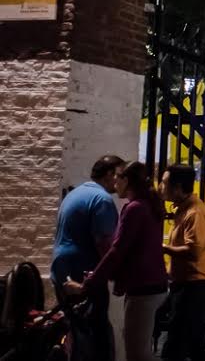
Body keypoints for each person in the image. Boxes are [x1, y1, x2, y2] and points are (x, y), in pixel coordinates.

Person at [64, 161, 168, 361]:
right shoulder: (148, 205)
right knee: (140, 350)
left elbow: (117, 250)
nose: (114, 182)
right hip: (153, 285)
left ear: (126, 180)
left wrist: (88, 284)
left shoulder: (135, 208)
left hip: (143, 288)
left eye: (117, 178)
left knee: (137, 354)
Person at [52, 154, 124, 361]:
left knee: (76, 330)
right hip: (84, 272)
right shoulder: (102, 199)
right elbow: (105, 243)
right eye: (119, 175)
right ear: (109, 174)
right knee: (95, 332)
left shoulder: (77, 193)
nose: (121, 180)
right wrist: (114, 272)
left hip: (62, 270)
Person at [160, 165, 205, 361]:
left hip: (193, 285)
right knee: (194, 343)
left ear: (177, 187)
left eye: (165, 183)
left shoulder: (194, 213)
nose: (161, 187)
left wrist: (163, 248)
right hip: (187, 282)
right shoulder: (184, 209)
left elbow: (193, 251)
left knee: (177, 341)